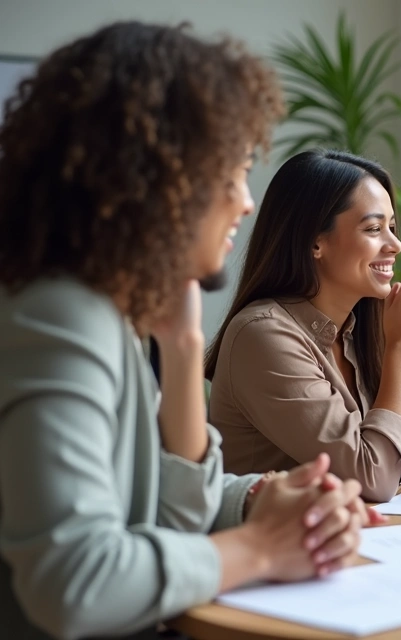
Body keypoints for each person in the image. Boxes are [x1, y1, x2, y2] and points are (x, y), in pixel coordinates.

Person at [0, 23, 372, 640]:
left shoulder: (107, 314)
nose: (244, 201)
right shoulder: (59, 316)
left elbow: (156, 511)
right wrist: (259, 548)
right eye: (228, 173)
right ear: (151, 182)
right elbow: (75, 584)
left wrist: (254, 497)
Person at [206, 150, 401, 506]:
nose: (395, 244)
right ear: (315, 242)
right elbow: (373, 477)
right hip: (281, 553)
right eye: (373, 229)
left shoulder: (359, 328)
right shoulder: (262, 335)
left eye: (391, 227)